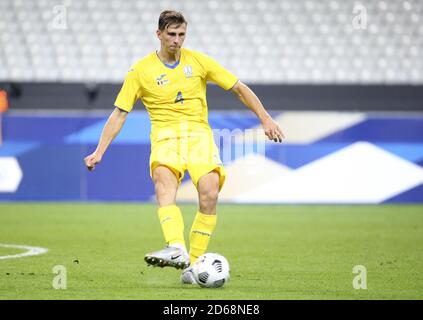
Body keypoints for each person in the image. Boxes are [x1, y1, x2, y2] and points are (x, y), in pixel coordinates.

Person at [84, 10, 284, 284]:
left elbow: (239, 88)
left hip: (198, 135)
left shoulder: (198, 61)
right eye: (171, 34)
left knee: (209, 193)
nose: (177, 40)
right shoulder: (140, 71)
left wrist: (265, 118)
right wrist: (99, 151)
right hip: (165, 137)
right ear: (159, 34)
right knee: (164, 183)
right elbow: (119, 114)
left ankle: (192, 265)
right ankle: (176, 246)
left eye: (181, 35)